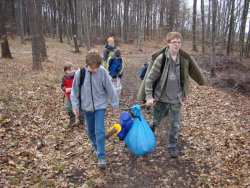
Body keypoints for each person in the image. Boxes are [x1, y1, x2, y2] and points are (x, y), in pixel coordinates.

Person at [145, 32, 206, 158]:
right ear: (168, 43)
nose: (177, 45)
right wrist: (149, 97)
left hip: (176, 98)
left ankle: (172, 145)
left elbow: (185, 78)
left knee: (175, 124)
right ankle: (148, 136)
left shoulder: (184, 59)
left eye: (179, 42)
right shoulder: (161, 58)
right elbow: (150, 79)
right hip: (161, 97)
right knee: (156, 120)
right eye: (174, 42)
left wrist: (185, 93)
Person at [70, 50, 119, 169]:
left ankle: (101, 156)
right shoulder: (79, 73)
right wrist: (75, 106)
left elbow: (110, 89)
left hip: (100, 106)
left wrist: (114, 104)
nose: (95, 70)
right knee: (90, 132)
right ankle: (96, 146)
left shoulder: (102, 72)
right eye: (93, 68)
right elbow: (74, 91)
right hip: (86, 107)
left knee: (100, 131)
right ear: (87, 64)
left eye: (97, 67)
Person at [61, 62, 85, 129]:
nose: (72, 71)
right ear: (65, 71)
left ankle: (81, 121)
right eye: (69, 70)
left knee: (81, 110)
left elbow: (82, 85)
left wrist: (75, 89)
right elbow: (62, 86)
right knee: (68, 108)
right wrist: (65, 89)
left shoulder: (77, 76)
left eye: (72, 69)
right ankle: (72, 119)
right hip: (69, 97)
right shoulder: (65, 78)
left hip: (79, 97)